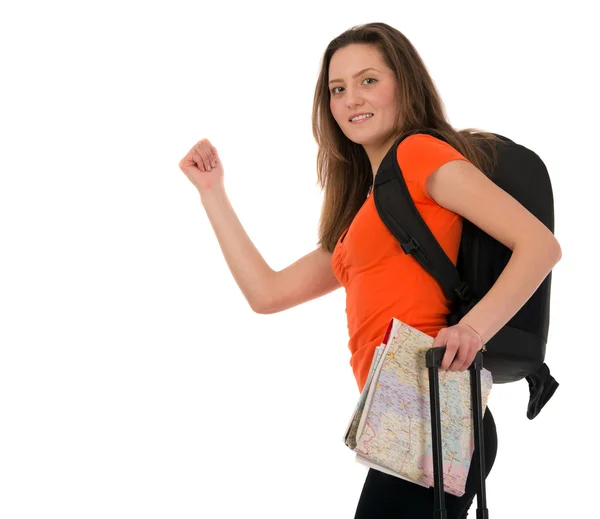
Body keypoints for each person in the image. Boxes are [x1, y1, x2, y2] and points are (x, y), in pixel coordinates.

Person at [178, 22, 562, 519]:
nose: (351, 99)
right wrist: (212, 192)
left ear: (404, 82)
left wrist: (471, 329)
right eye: (337, 89)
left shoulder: (420, 154)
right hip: (405, 418)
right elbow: (267, 294)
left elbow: (538, 245)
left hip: (434, 409)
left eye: (368, 80)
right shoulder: (365, 214)